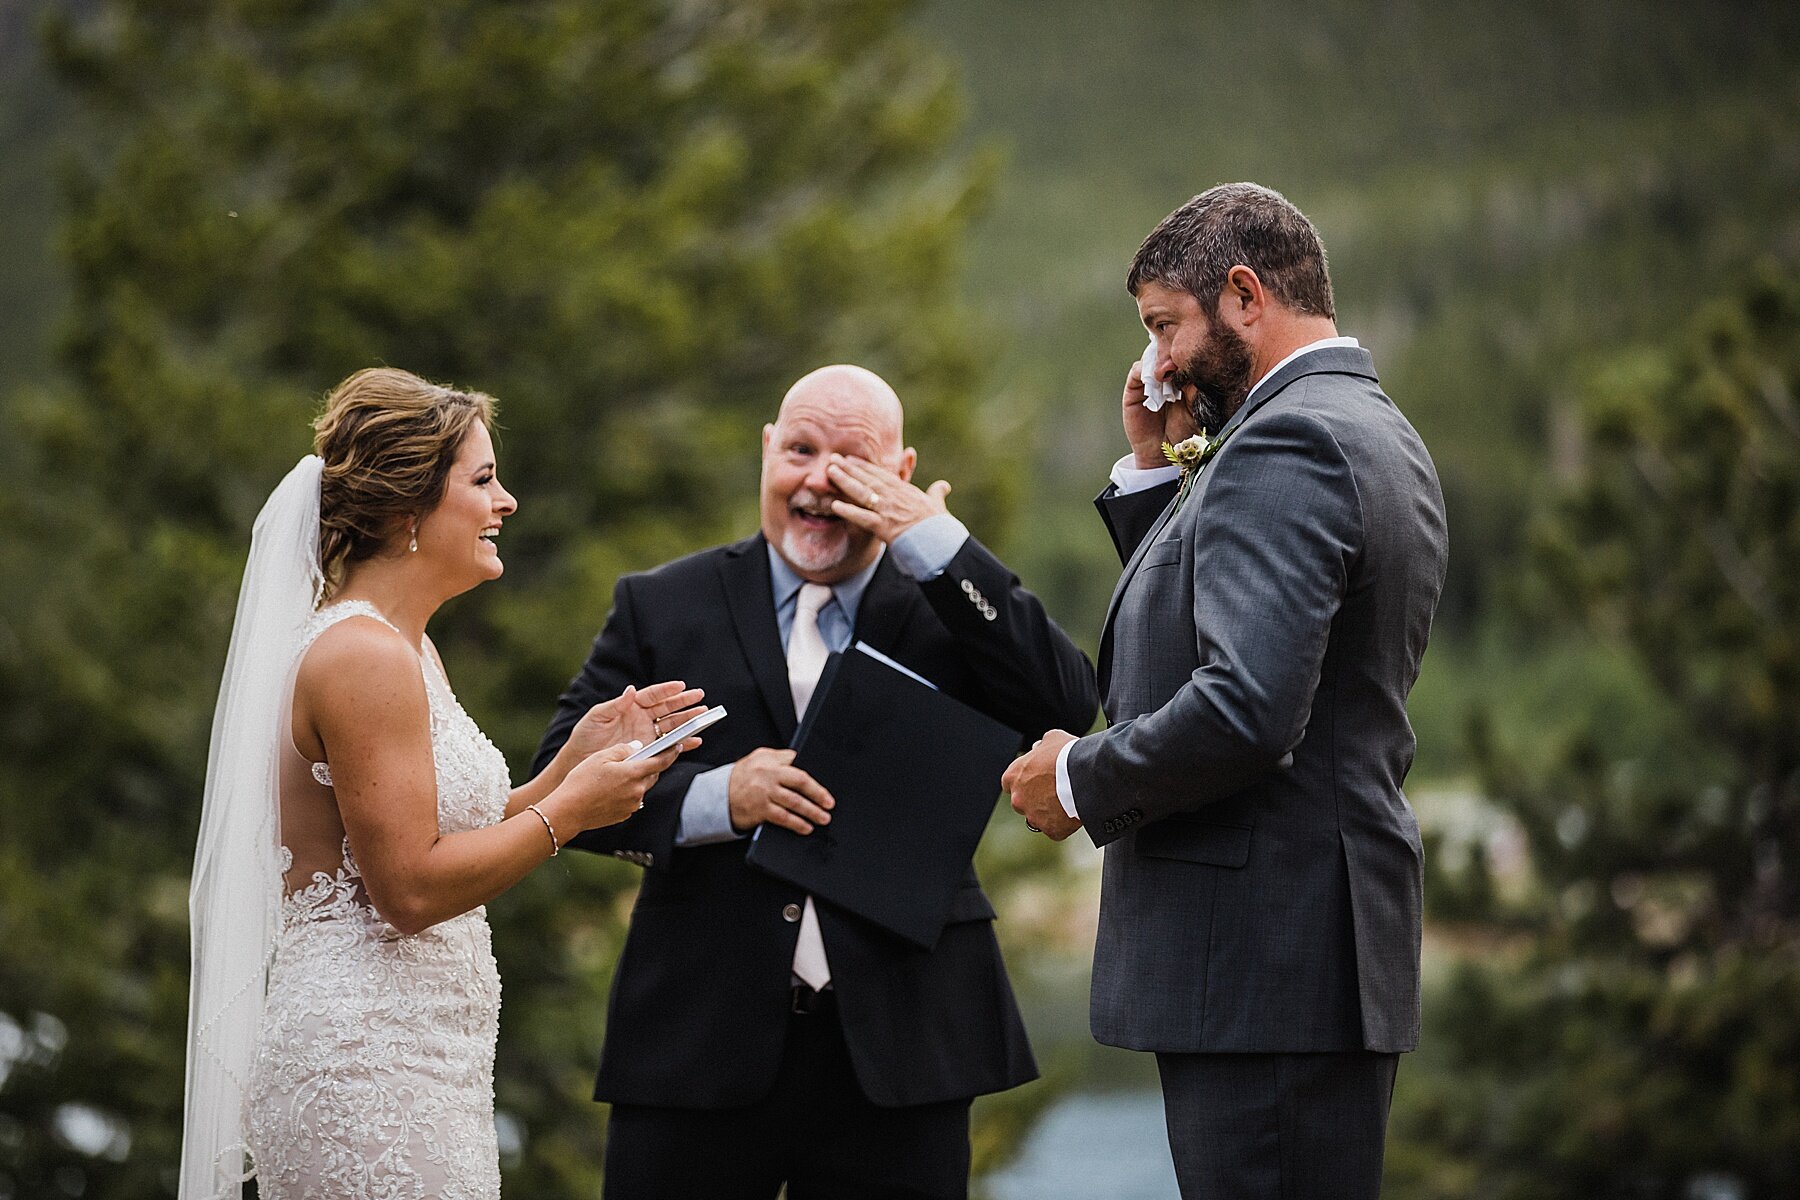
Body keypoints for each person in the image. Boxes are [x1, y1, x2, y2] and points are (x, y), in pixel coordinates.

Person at [533, 364, 1098, 1200]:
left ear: (900, 476)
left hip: (904, 1044)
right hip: (697, 1036)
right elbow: (561, 789)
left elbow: (1066, 702)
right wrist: (715, 799)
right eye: (799, 449)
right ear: (767, 451)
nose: (820, 480)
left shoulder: (950, 604)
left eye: (853, 459)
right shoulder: (662, 604)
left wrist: (937, 541)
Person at [1003, 184, 1449, 1199]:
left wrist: (1076, 779)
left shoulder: (1287, 443)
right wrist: (1159, 474)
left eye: (1165, 326)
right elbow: (1208, 629)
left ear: (1244, 296)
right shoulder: (1365, 426)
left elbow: (1248, 708)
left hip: (1265, 968)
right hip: (1297, 962)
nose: (1157, 361)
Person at [179, 367, 705, 1200]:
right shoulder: (364, 657)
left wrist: (571, 765)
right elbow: (409, 890)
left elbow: (436, 832)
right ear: (405, 509)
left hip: (424, 1061)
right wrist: (571, 812)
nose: (508, 503)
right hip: (364, 1065)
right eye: (484, 480)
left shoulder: (405, 648)